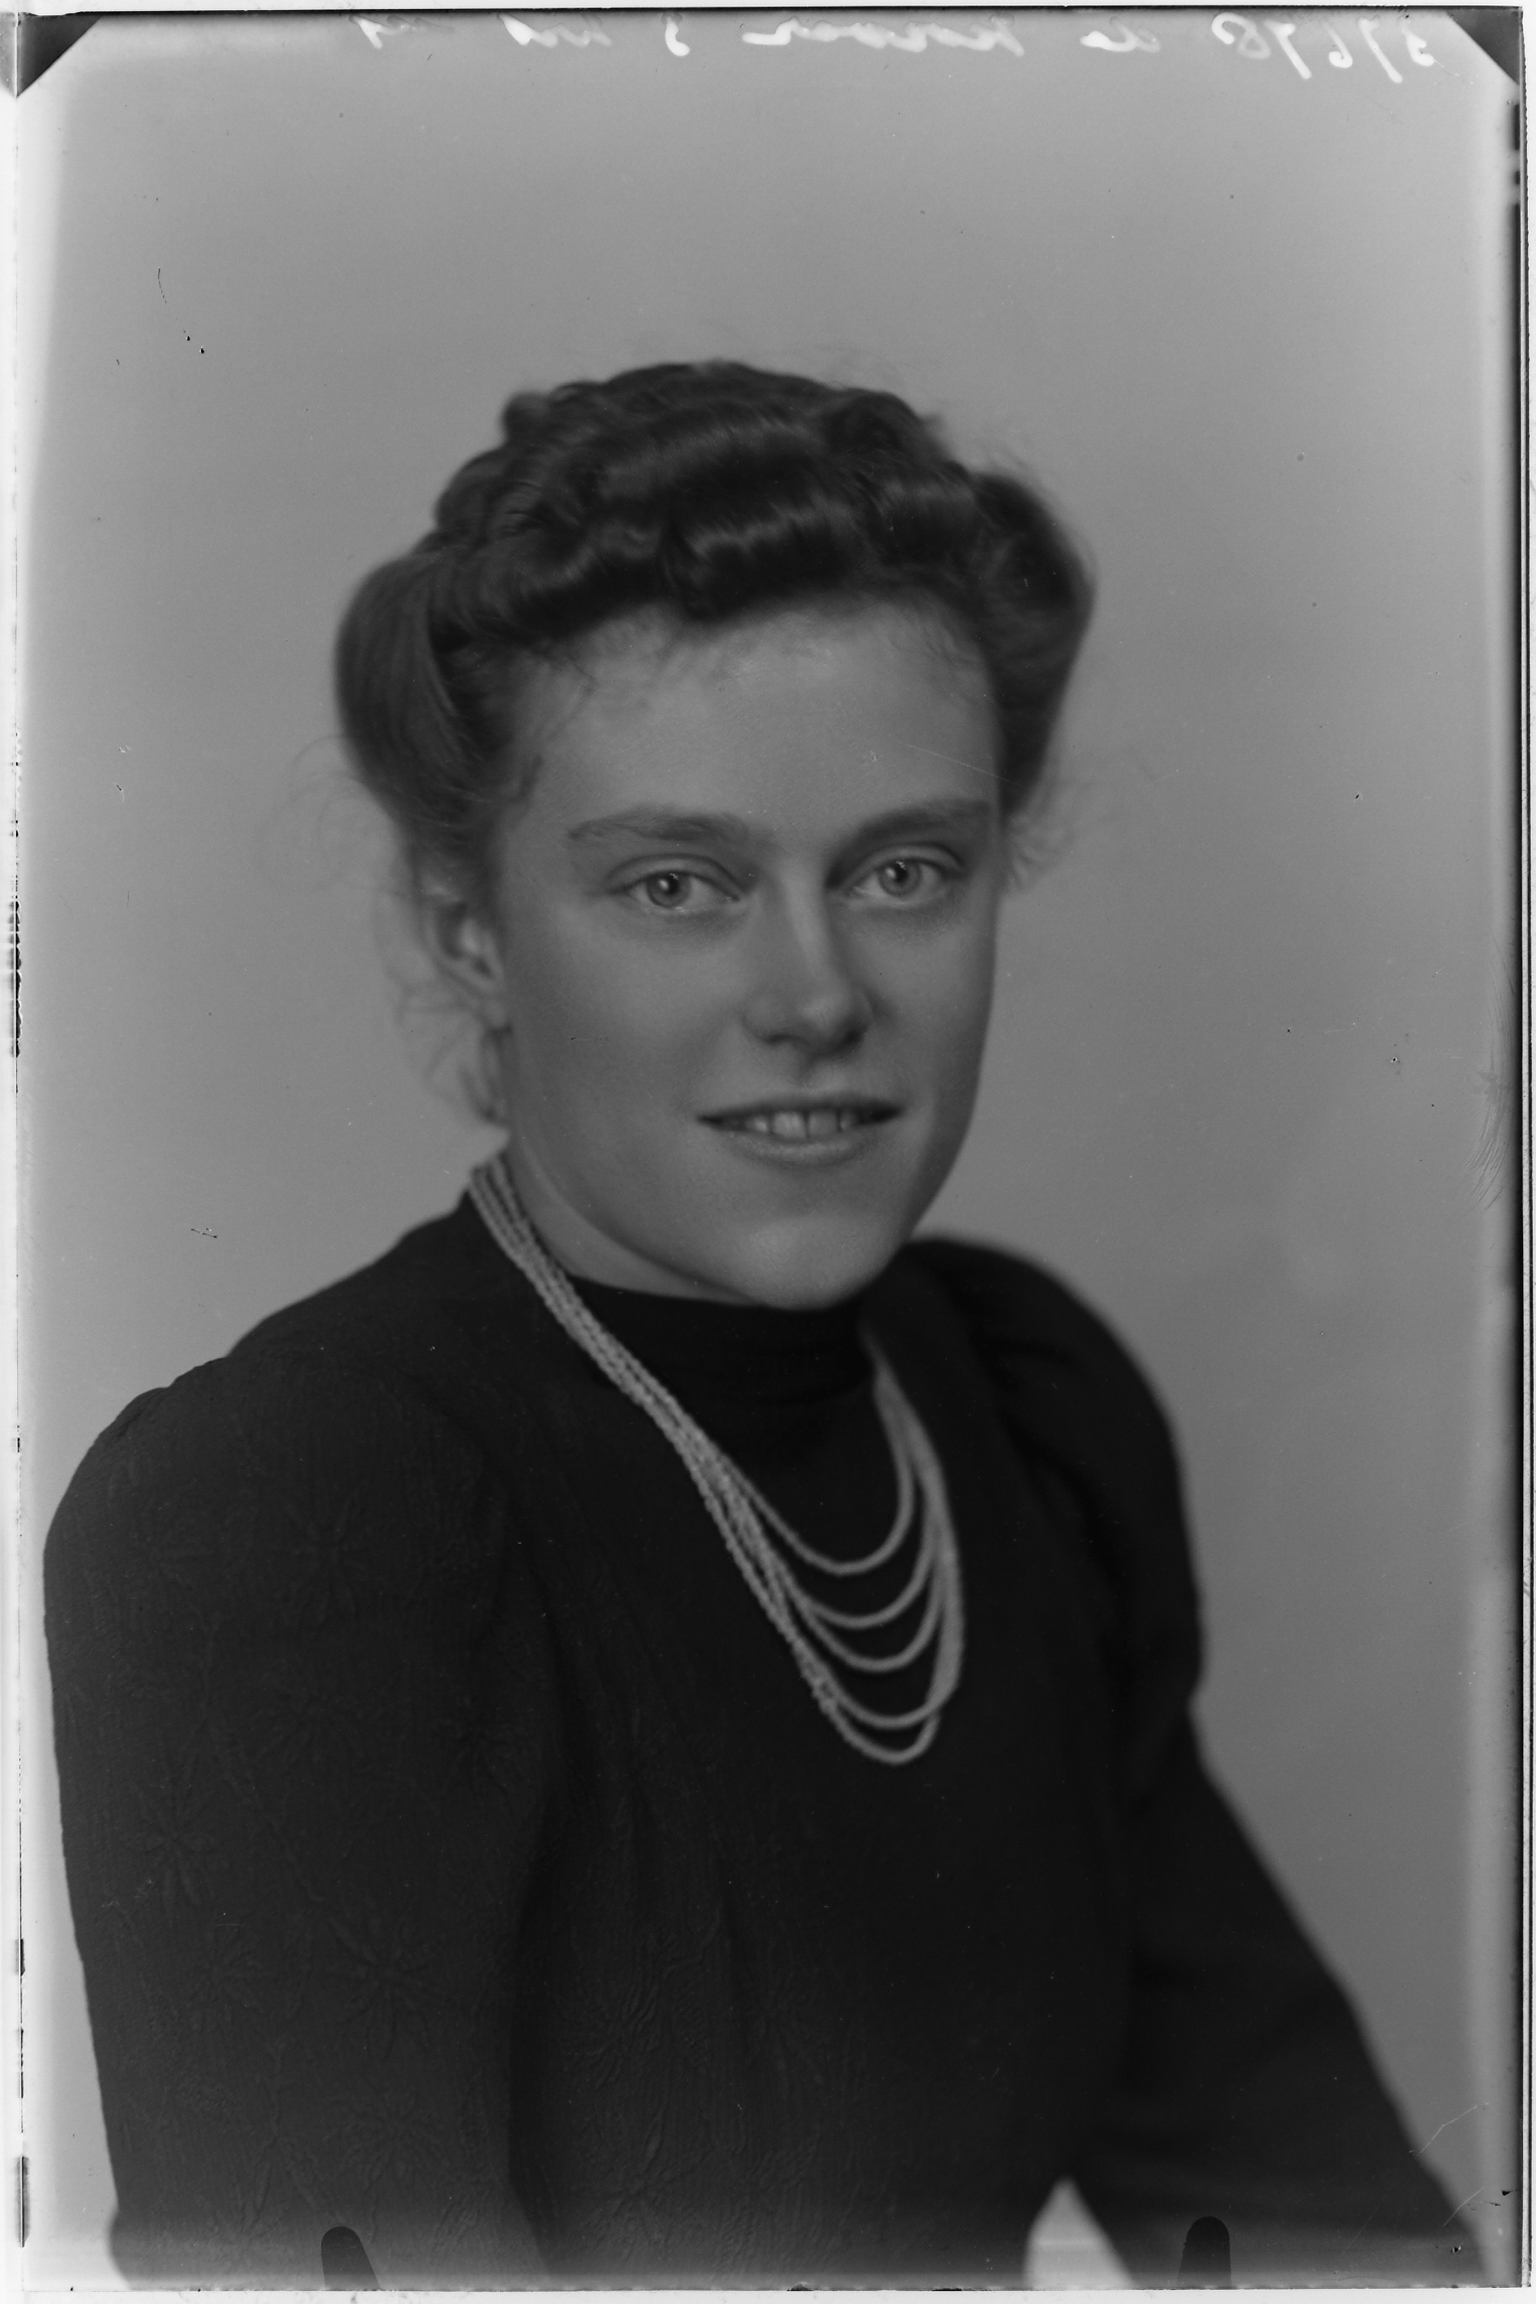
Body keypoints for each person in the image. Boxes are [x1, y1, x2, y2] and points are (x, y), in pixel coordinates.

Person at [45, 361, 1469, 2289]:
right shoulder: (300, 1522)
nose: (817, 995)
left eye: (904, 870)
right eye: (679, 883)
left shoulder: (1019, 1414)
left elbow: (1306, 2211)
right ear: (471, 929)